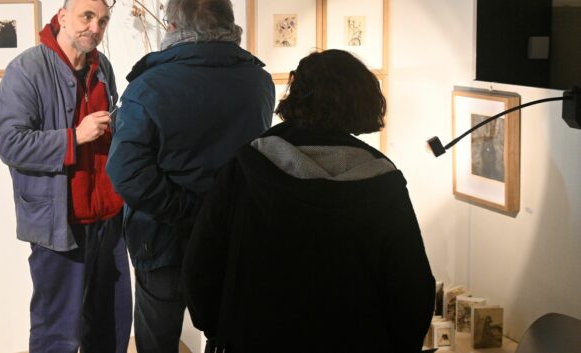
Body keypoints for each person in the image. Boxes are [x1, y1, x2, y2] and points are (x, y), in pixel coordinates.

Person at [182, 49, 436, 352]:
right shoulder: (381, 180)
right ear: (363, 100)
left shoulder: (248, 167)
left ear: (296, 95)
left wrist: (221, 327)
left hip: (255, 338)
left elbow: (202, 263)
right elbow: (412, 286)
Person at [106, 0, 275, 353]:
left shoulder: (149, 86)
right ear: (228, 23)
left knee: (157, 337)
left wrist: (186, 211)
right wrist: (211, 212)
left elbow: (126, 172)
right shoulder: (259, 82)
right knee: (228, 333)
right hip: (231, 233)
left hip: (163, 238)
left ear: (171, 26)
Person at [0, 0, 131, 353]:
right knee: (58, 333)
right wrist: (75, 137)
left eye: (102, 21)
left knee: (111, 326)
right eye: (87, 16)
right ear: (62, 16)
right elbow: (9, 142)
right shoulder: (27, 69)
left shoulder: (103, 67)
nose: (95, 28)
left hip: (109, 221)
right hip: (60, 226)